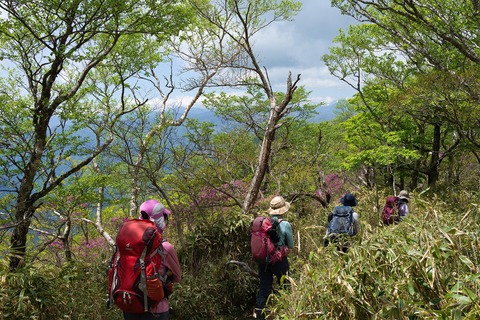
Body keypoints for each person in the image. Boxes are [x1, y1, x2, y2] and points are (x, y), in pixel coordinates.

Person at [123, 199, 182, 320]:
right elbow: (177, 277)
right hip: (156, 310)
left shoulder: (128, 245)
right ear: (160, 221)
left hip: (129, 306)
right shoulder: (165, 248)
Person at [255, 196, 294, 320]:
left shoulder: (264, 223)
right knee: (286, 286)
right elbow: (291, 245)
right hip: (279, 261)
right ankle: (287, 314)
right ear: (283, 210)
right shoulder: (285, 224)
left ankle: (260, 316)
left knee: (264, 289)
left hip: (263, 261)